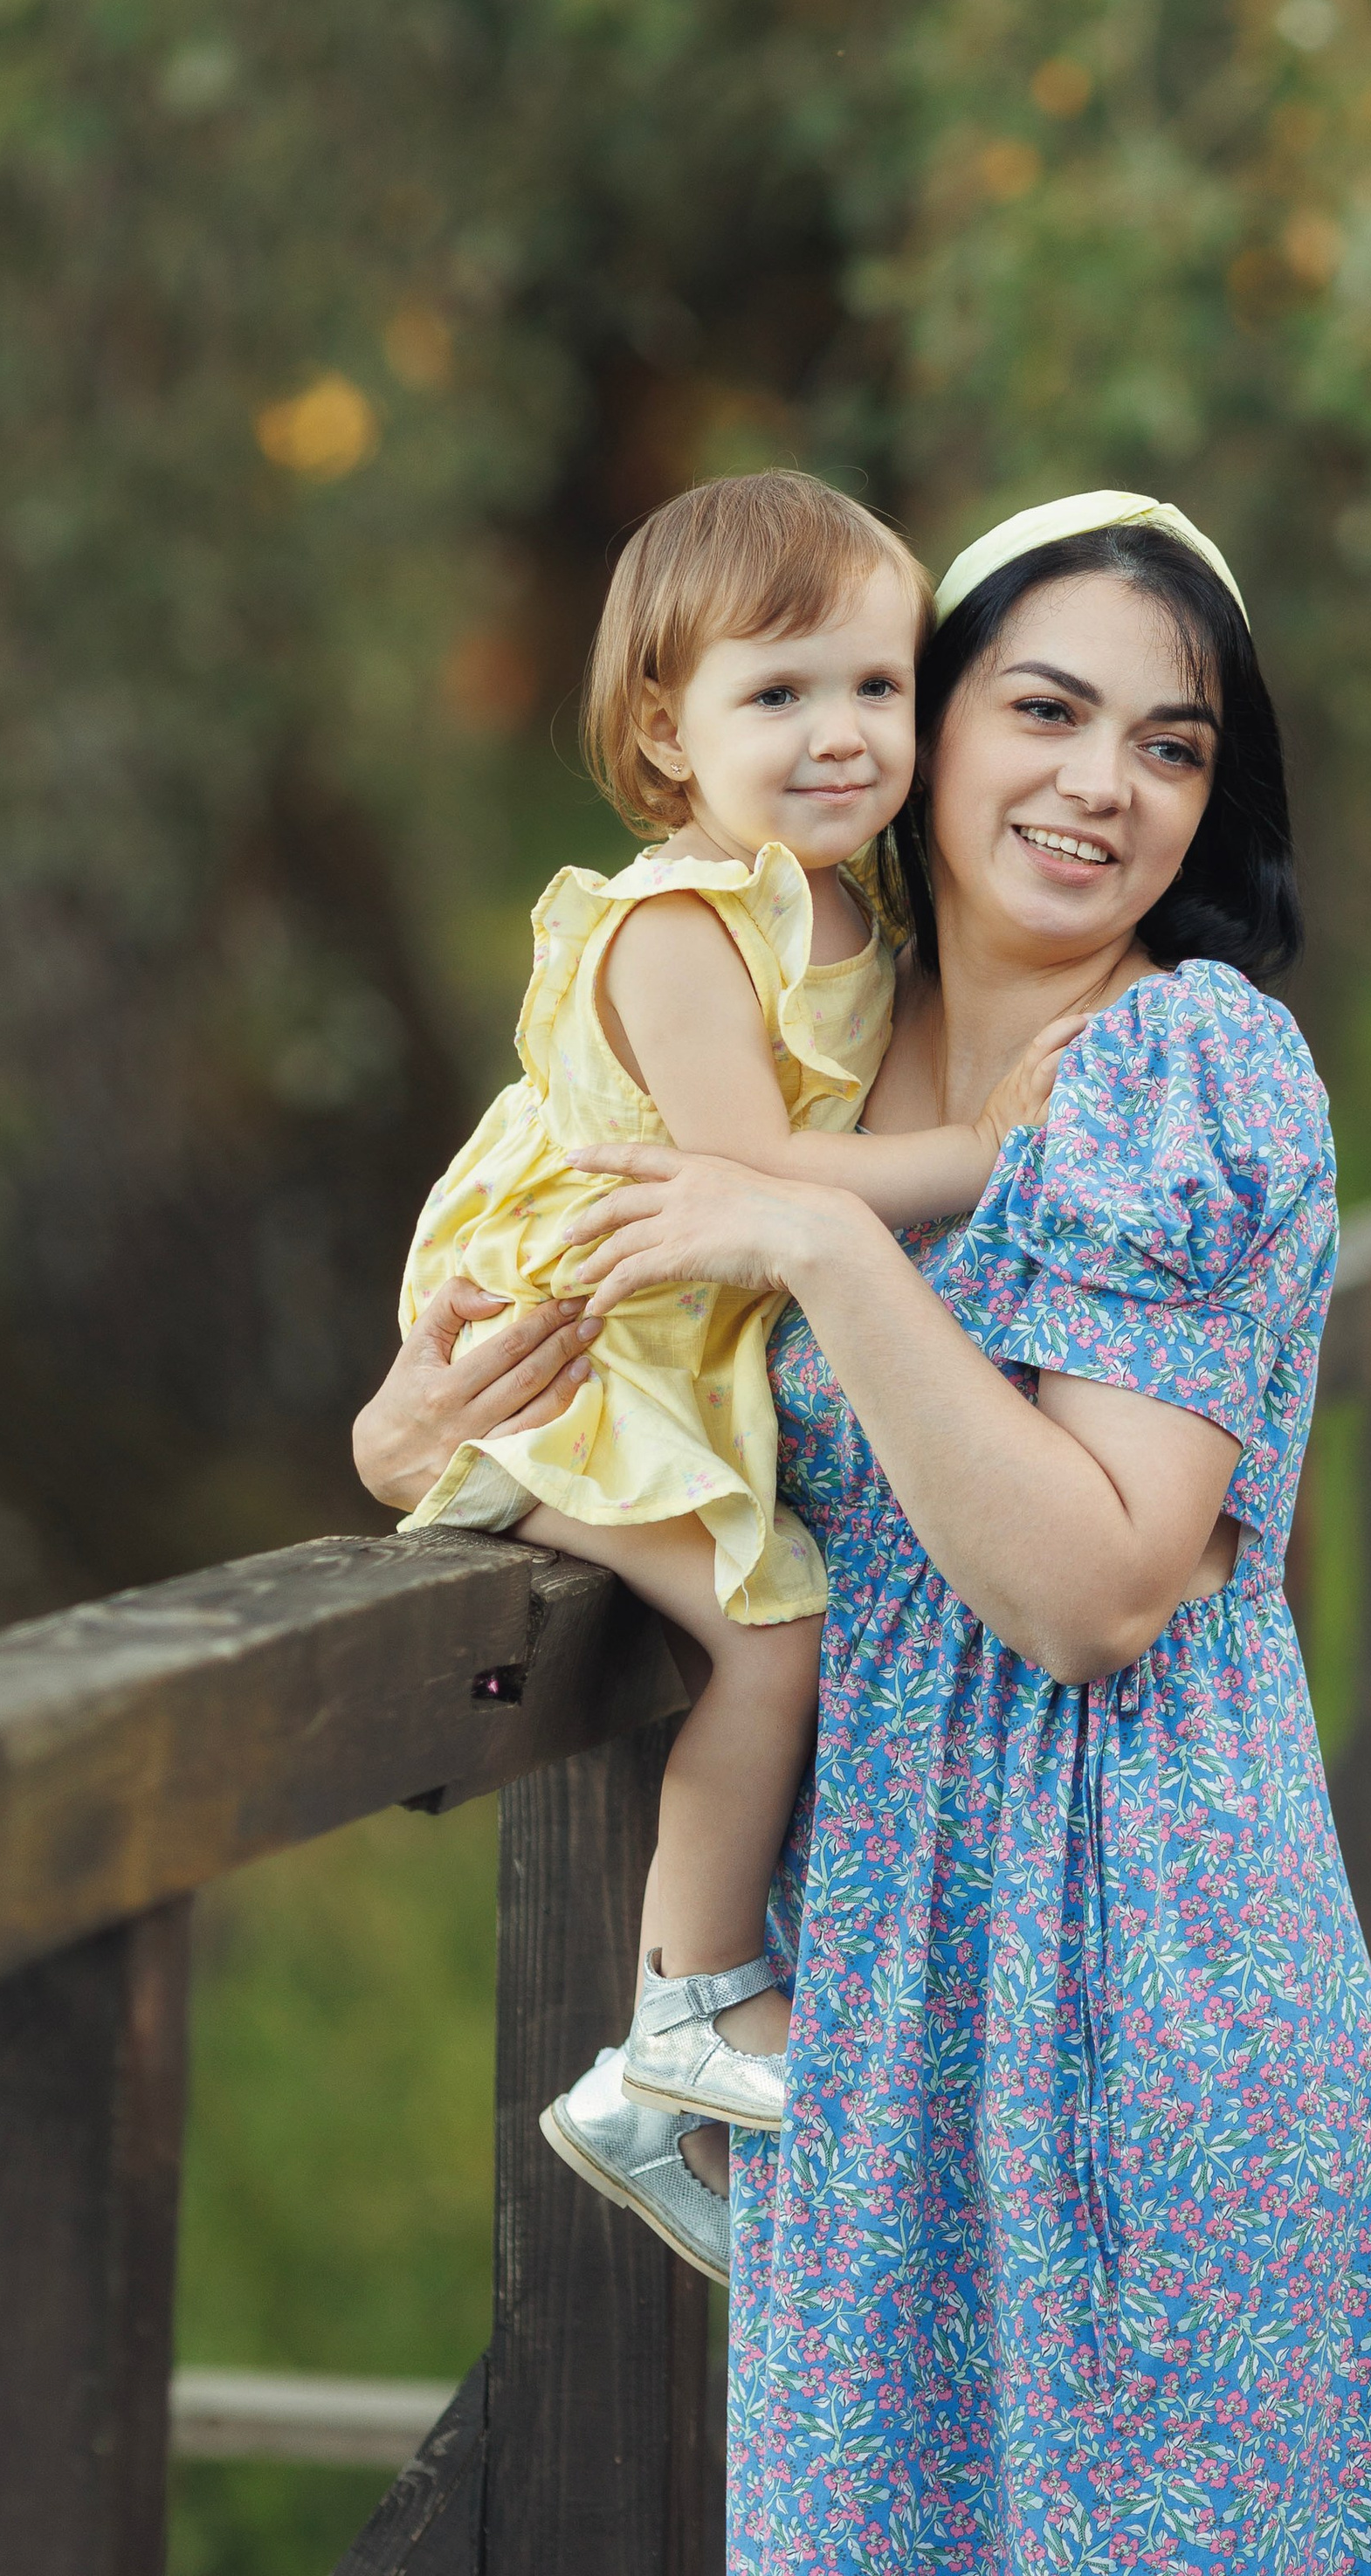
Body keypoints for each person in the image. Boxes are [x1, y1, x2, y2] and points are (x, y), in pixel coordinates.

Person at [423, 489, 1371, 2572]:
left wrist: (827, 1249)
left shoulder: (1187, 1066)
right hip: (872, 1990)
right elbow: (608, 1377)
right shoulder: (802, 1039)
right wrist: (412, 1417)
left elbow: (1092, 1589)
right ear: (930, 731)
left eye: (1169, 744)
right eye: (1044, 709)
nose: (1100, 783)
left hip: (1142, 1960)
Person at [369, 471, 1075, 2278]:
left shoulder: (855, 919)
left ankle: (656, 2092)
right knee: (775, 1635)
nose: (836, 733)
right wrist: (994, 1150)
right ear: (662, 736)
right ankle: (682, 2010)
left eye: (874, 686)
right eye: (776, 697)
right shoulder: (680, 923)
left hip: (674, 1352)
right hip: (571, 1345)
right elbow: (748, 1180)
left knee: (781, 1628)